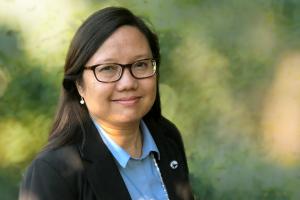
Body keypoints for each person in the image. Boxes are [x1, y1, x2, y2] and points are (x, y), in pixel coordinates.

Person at [19, 6, 194, 200]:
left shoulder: (166, 137)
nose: (128, 83)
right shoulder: (54, 171)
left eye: (141, 64)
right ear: (79, 84)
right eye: (108, 68)